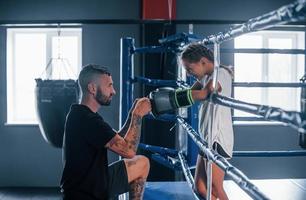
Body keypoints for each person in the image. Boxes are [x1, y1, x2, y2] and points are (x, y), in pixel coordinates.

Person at [60, 64, 152, 200]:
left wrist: (132, 114)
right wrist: (138, 114)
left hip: (93, 182)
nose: (113, 91)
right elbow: (129, 151)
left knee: (142, 163)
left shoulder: (82, 114)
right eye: (109, 86)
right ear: (92, 88)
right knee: (139, 160)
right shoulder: (87, 119)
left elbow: (117, 139)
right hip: (85, 194)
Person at [180, 43, 234, 200]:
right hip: (207, 137)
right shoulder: (205, 76)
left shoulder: (220, 73)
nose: (189, 74)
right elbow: (189, 93)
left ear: (203, 62)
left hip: (218, 138)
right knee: (201, 188)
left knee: (216, 187)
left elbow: (205, 93)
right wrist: (174, 98)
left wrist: (173, 100)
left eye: (190, 69)